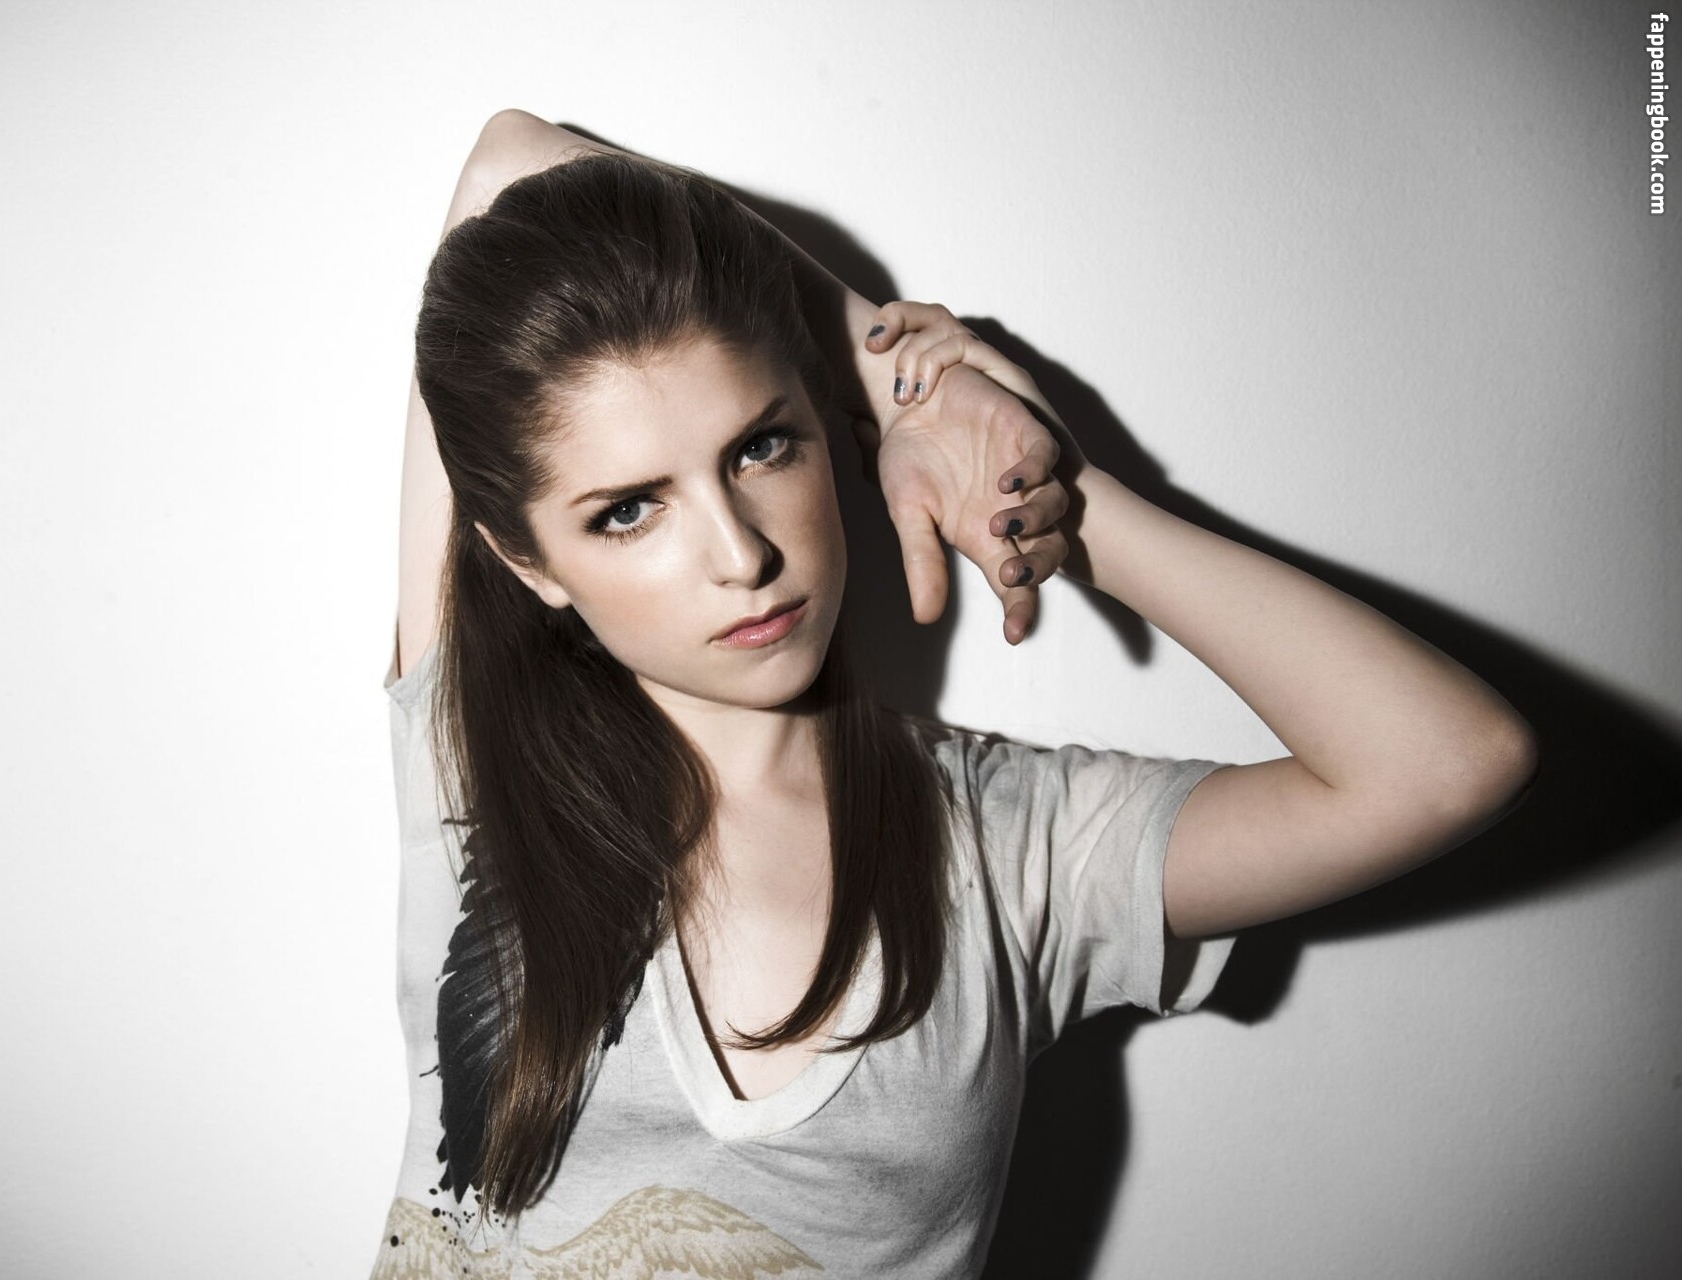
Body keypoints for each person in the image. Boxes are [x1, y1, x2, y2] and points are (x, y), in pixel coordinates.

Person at [370, 110, 1537, 1279]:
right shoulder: (468, 748)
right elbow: (507, 155)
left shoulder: (1010, 846)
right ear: (528, 561)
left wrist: (1031, 482)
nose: (741, 552)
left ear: (820, 426)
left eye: (762, 447)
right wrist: (889, 372)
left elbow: (1447, 762)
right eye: (631, 509)